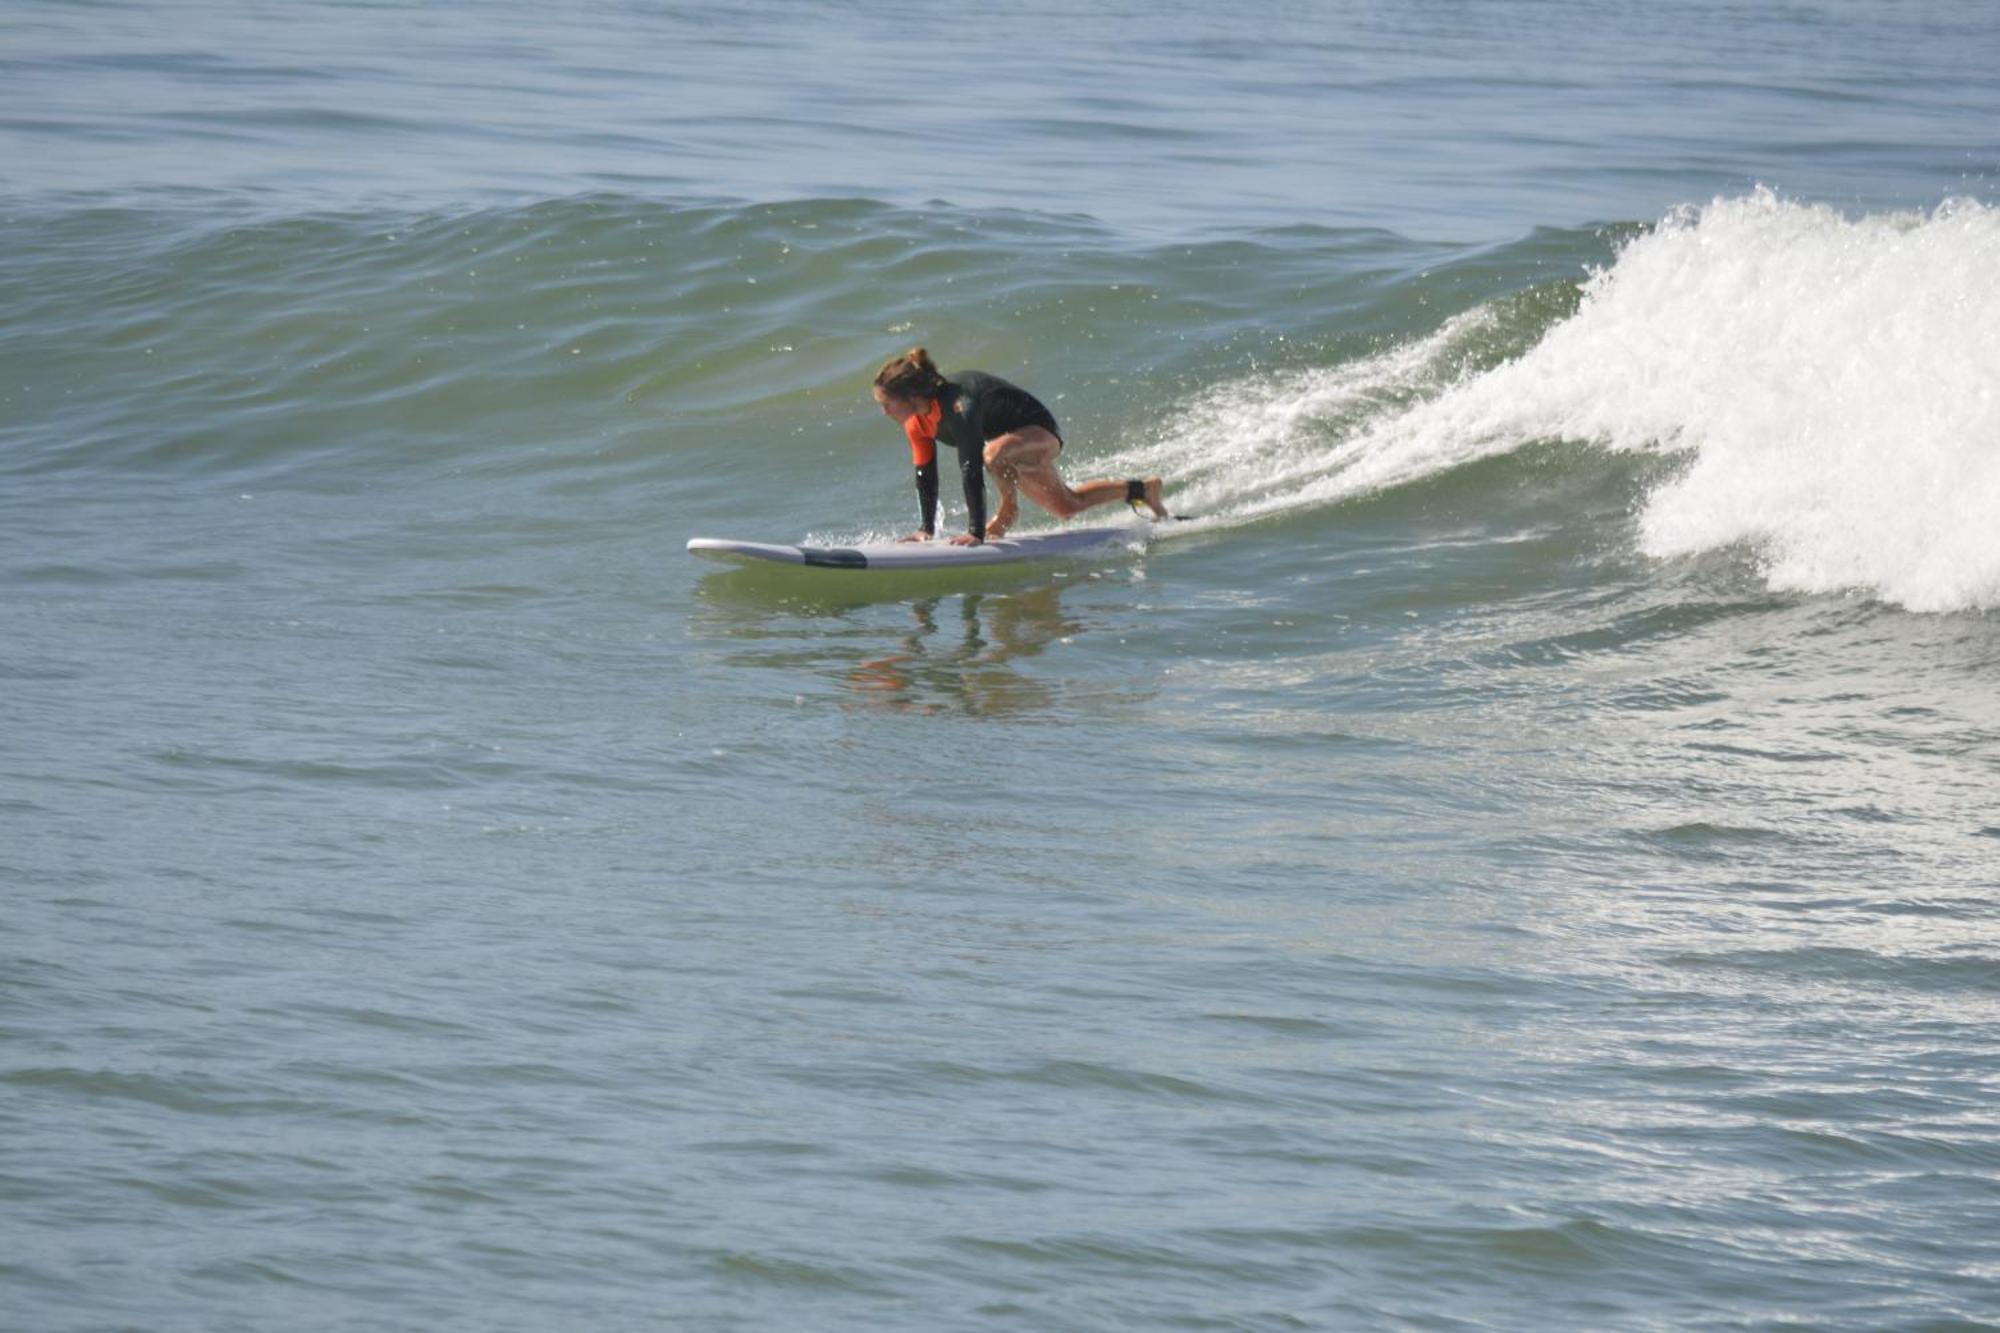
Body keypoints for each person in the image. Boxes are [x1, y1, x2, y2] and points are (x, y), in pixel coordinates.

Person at [871, 349, 1170, 545]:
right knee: (1066, 506)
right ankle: (1143, 490)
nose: (884, 412)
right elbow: (925, 476)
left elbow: (971, 468)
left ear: (910, 396)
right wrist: (926, 530)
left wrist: (976, 533)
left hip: (1038, 432)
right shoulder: (917, 424)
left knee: (991, 454)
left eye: (887, 404)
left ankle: (1007, 512)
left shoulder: (959, 406)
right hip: (1007, 446)